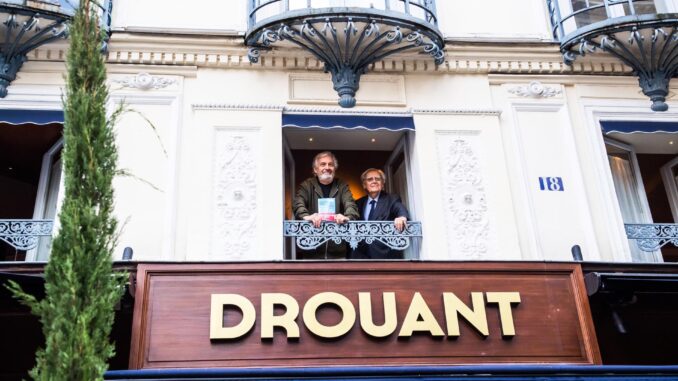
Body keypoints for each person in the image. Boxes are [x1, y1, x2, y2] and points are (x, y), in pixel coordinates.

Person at [293, 151, 359, 259]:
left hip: (338, 251)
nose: (327, 167)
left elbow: (350, 204)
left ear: (334, 168)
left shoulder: (341, 185)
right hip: (312, 249)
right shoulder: (307, 185)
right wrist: (307, 216)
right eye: (323, 164)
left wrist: (347, 216)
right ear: (315, 169)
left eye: (330, 164)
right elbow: (298, 203)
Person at [350, 168, 410, 260]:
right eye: (370, 179)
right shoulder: (358, 203)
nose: (374, 181)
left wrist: (402, 217)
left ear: (382, 184)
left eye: (377, 179)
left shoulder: (391, 199)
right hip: (361, 255)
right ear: (364, 185)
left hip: (384, 255)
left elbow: (399, 208)